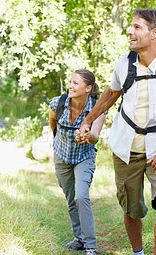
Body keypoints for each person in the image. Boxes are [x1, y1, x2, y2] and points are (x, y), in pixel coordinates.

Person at [76, 9, 156, 255]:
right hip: (126, 147)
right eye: (130, 27)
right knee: (131, 209)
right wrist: (88, 121)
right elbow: (111, 95)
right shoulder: (124, 63)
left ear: (154, 33)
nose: (130, 32)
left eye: (137, 27)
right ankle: (138, 253)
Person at [49, 69, 106, 255]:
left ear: (88, 88)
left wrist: (88, 136)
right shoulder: (59, 102)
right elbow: (52, 122)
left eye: (75, 83)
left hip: (84, 157)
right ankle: (79, 239)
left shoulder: (98, 108)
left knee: (81, 196)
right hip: (61, 155)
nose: (70, 86)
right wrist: (57, 138)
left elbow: (95, 136)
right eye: (70, 82)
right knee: (71, 199)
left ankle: (90, 246)